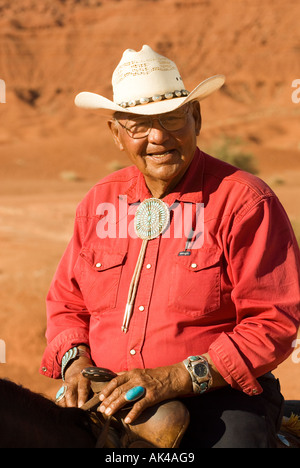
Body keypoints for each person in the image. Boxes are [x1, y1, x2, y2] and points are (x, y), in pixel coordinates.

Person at [40, 45, 300, 448]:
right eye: (138, 125)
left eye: (172, 118)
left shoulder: (245, 202)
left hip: (217, 398)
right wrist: (76, 362)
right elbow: (66, 303)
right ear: (116, 134)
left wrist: (177, 377)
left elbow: (273, 320)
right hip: (108, 394)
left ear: (196, 117)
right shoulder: (99, 202)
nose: (158, 137)